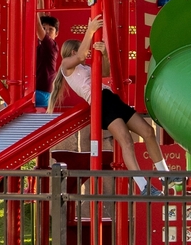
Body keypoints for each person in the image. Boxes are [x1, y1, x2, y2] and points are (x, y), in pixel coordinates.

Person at [58, 14, 171, 190]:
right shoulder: (67, 66)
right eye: (83, 49)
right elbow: (80, 56)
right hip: (100, 103)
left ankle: (164, 175)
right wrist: (91, 30)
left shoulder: (87, 68)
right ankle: (143, 185)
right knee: (126, 140)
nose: (87, 52)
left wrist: (104, 54)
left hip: (110, 98)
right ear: (73, 51)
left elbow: (105, 72)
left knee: (147, 131)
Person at [33, 13, 60, 109]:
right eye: (44, 29)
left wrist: (33, 8)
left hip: (41, 92)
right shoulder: (41, 46)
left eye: (51, 29)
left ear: (56, 33)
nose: (47, 31)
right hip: (41, 92)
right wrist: (40, 3)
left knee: (2, 110)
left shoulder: (51, 45)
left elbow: (38, 26)